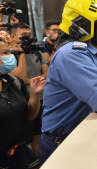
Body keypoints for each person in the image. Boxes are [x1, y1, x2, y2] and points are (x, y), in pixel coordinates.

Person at [38, 0, 97, 165]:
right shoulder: (72, 55)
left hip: (75, 137)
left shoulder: (90, 52)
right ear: (84, 25)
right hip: (61, 144)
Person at [0, 38, 45, 169]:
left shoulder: (13, 81)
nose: (11, 56)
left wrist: (35, 94)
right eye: (5, 53)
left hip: (18, 154)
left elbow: (29, 116)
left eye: (10, 52)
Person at [9, 22, 49, 155]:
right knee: (23, 140)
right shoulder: (9, 55)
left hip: (40, 99)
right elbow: (18, 76)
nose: (27, 39)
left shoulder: (37, 53)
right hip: (19, 101)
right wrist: (21, 54)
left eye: (29, 35)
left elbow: (47, 73)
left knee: (38, 135)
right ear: (13, 37)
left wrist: (30, 81)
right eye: (23, 36)